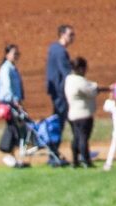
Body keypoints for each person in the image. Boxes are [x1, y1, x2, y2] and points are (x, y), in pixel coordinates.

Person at [0, 43, 32, 167]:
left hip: (14, 102)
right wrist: (15, 102)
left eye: (17, 54)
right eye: (14, 53)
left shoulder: (12, 68)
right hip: (9, 103)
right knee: (13, 128)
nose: (16, 56)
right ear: (7, 55)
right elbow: (7, 88)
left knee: (16, 128)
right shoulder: (6, 69)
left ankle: (12, 156)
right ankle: (8, 155)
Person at [45, 23, 75, 162]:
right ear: (62, 35)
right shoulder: (61, 52)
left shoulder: (53, 49)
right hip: (62, 93)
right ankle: (55, 153)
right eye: (70, 35)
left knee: (61, 122)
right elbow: (67, 74)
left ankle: (54, 152)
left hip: (57, 92)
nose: (72, 38)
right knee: (67, 122)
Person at [64, 57, 99, 168]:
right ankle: (85, 160)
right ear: (80, 69)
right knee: (83, 138)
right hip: (83, 114)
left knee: (76, 138)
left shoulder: (69, 79)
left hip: (72, 114)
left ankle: (75, 160)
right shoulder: (79, 81)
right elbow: (91, 91)